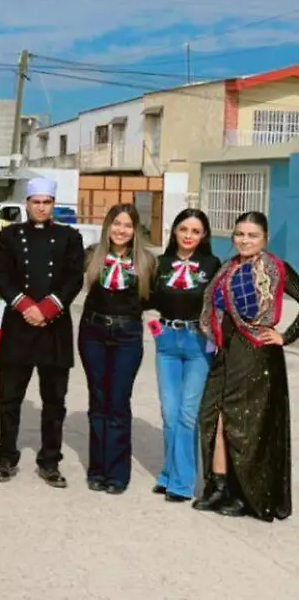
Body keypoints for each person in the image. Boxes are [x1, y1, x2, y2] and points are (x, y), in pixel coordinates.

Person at [195, 211, 296, 521]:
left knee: (242, 425)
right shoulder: (228, 268)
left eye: (252, 235)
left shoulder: (275, 268)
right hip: (226, 354)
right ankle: (220, 487)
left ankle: (244, 495)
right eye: (240, 234)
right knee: (213, 417)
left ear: (264, 238)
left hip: (256, 353)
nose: (244, 240)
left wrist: (286, 336)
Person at [0, 177, 86, 488]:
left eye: (47, 202)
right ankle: (6, 456)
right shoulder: (9, 235)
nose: (41, 207)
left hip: (54, 327)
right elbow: (0, 274)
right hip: (19, 323)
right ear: (27, 204)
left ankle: (50, 461)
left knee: (55, 400)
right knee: (9, 397)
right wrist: (25, 305)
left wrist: (48, 307)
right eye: (36, 202)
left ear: (54, 205)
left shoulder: (70, 236)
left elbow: (74, 276)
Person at [77, 204, 156, 495]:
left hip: (127, 336)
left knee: (119, 402)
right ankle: (97, 469)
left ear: (135, 230)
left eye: (127, 225)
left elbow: (155, 300)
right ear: (108, 225)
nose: (121, 230)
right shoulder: (92, 255)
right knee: (98, 400)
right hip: (93, 333)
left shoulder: (147, 261)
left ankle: (117, 472)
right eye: (116, 224)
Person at [147, 209, 221, 503]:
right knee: (169, 413)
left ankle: (182, 482)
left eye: (196, 231)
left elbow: (221, 304)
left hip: (198, 342)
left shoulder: (212, 264)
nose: (189, 236)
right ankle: (168, 472)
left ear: (204, 236)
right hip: (166, 340)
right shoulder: (160, 264)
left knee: (188, 415)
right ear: (175, 232)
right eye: (184, 229)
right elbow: (146, 299)